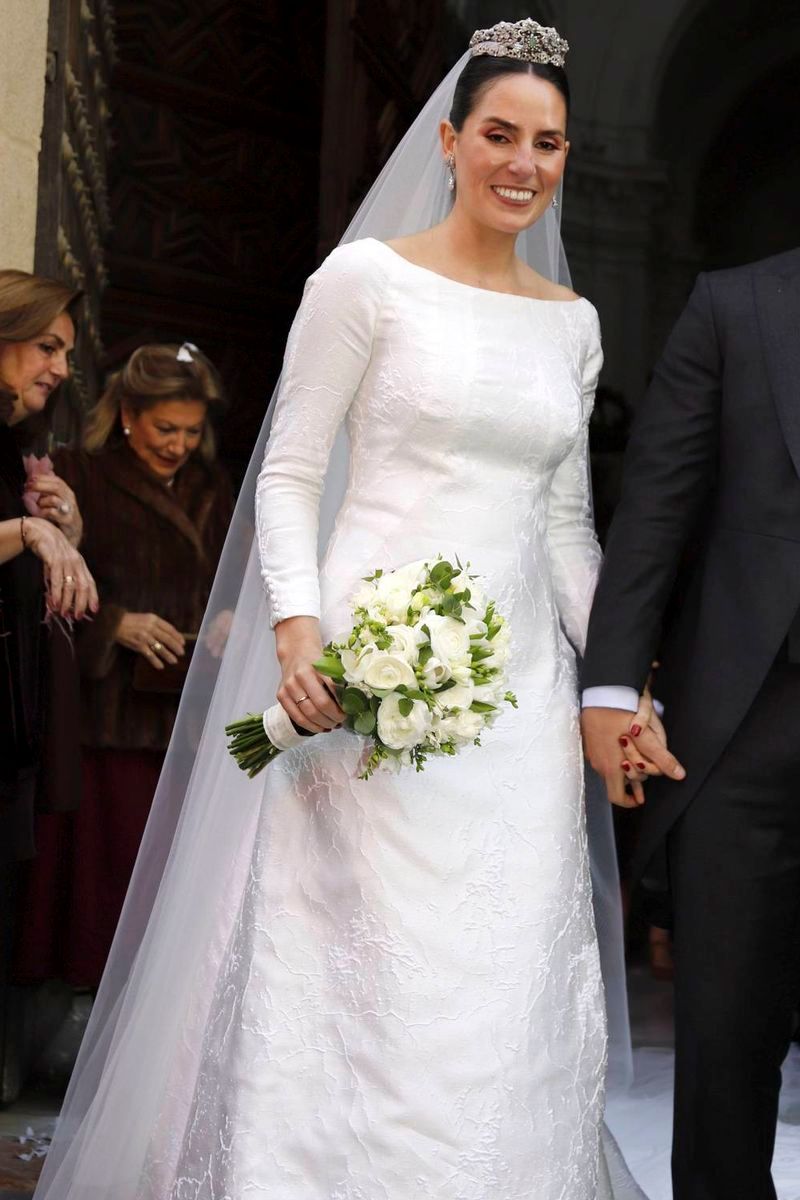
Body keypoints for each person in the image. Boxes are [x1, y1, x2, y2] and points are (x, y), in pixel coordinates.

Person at [36, 22, 656, 1199]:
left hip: (513, 705)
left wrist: (614, 680)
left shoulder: (569, 323)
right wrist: (299, 633)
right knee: (356, 975)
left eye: (548, 142)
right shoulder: (363, 281)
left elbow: (565, 528)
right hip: (364, 680)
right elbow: (288, 470)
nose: (521, 163)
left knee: (496, 971)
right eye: (498, 136)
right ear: (448, 139)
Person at [581, 247, 800, 1199]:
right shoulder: (735, 307)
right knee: (726, 1038)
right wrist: (612, 687)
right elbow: (655, 513)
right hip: (745, 728)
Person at [15, 342, 235, 989]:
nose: (179, 445)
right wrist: (117, 624)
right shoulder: (79, 474)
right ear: (130, 415)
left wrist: (231, 615)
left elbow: (242, 574)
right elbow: (44, 586)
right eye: (166, 428)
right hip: (109, 716)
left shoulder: (215, 487)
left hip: (188, 715)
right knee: (98, 876)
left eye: (192, 432)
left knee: (173, 876)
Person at [0, 268, 97, 1094]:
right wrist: (27, 531)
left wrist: (62, 523)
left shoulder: (21, 446)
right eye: (46, 345)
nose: (61, 367)